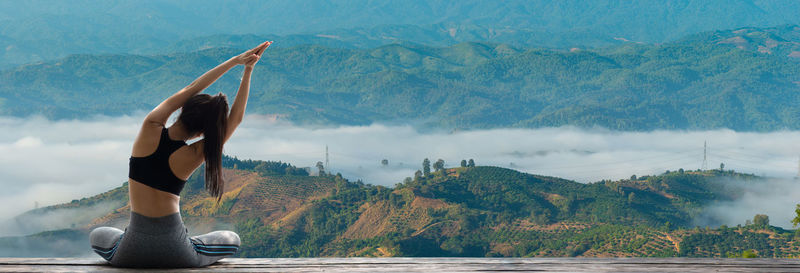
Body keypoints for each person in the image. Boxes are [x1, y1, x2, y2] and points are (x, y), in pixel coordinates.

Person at [89, 41, 272, 268]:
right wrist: (248, 71)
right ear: (203, 132)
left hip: (130, 252)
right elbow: (235, 119)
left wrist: (236, 60)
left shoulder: (150, 126)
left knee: (98, 233)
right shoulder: (195, 153)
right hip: (177, 253)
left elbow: (191, 88)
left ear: (184, 109)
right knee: (231, 239)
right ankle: (192, 243)